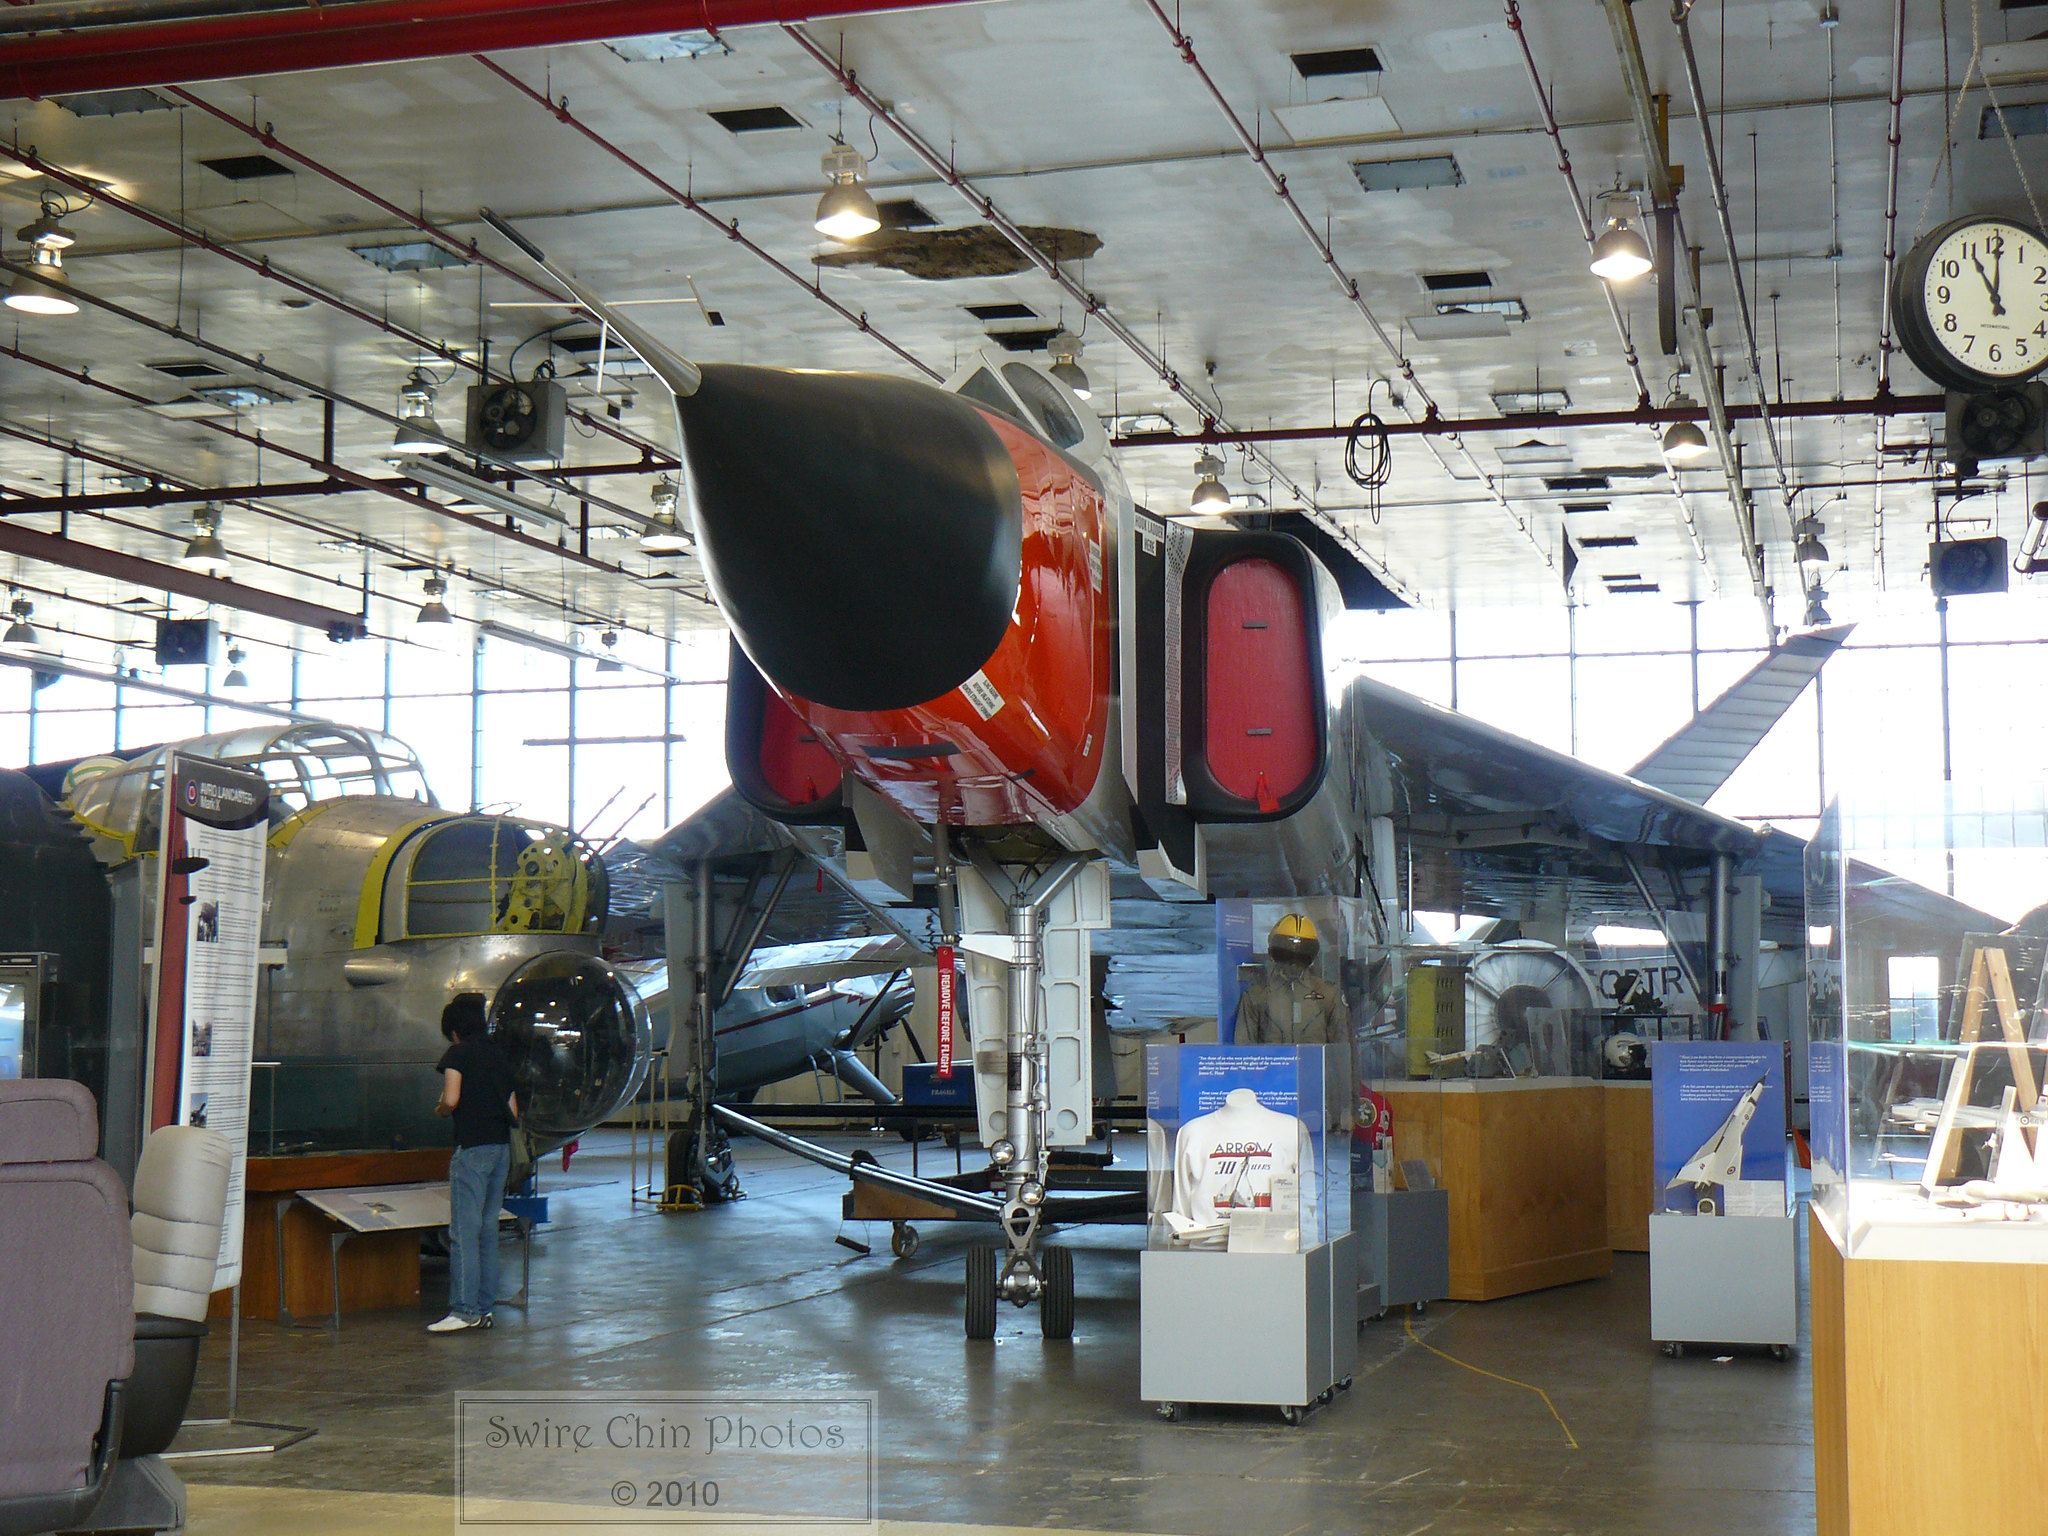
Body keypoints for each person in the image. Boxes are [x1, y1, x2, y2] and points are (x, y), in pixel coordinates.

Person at [430, 992, 519, 1333]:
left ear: (454, 1030)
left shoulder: (458, 1054)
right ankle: (484, 1308)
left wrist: (439, 1108)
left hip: (472, 1149)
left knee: (463, 1232)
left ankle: (464, 1310)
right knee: (487, 1231)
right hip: (501, 1148)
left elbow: (451, 1099)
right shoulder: (499, 1055)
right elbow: (513, 1110)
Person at [1236, 914, 1352, 1131]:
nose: (1292, 963)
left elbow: (1343, 1054)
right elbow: (1243, 1057)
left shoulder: (1328, 995)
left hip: (1317, 1100)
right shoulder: (1256, 997)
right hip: (1269, 1099)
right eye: (1285, 954)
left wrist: (1347, 1106)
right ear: (1274, 953)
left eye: (1299, 956)